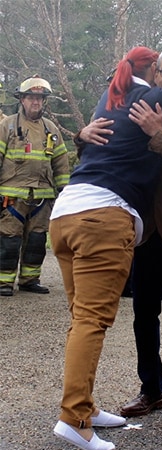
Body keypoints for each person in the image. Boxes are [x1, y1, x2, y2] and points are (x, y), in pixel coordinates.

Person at [49, 46, 162, 450]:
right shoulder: (136, 101)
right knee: (143, 312)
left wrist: (158, 134)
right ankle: (151, 390)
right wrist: (81, 134)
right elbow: (107, 146)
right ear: (155, 72)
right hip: (143, 228)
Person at [0, 76, 69, 296]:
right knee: (9, 241)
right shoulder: (7, 125)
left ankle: (30, 279)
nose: (35, 102)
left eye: (39, 98)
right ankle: (4, 282)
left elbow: (60, 163)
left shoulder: (51, 130)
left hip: (42, 196)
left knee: (37, 241)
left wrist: (64, 194)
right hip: (11, 197)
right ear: (22, 99)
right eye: (31, 97)